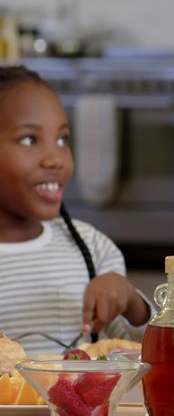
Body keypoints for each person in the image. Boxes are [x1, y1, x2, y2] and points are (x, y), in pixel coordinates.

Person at [0, 66, 151, 357]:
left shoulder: (92, 248)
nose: (55, 159)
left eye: (63, 140)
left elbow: (141, 350)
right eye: (30, 140)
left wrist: (132, 302)